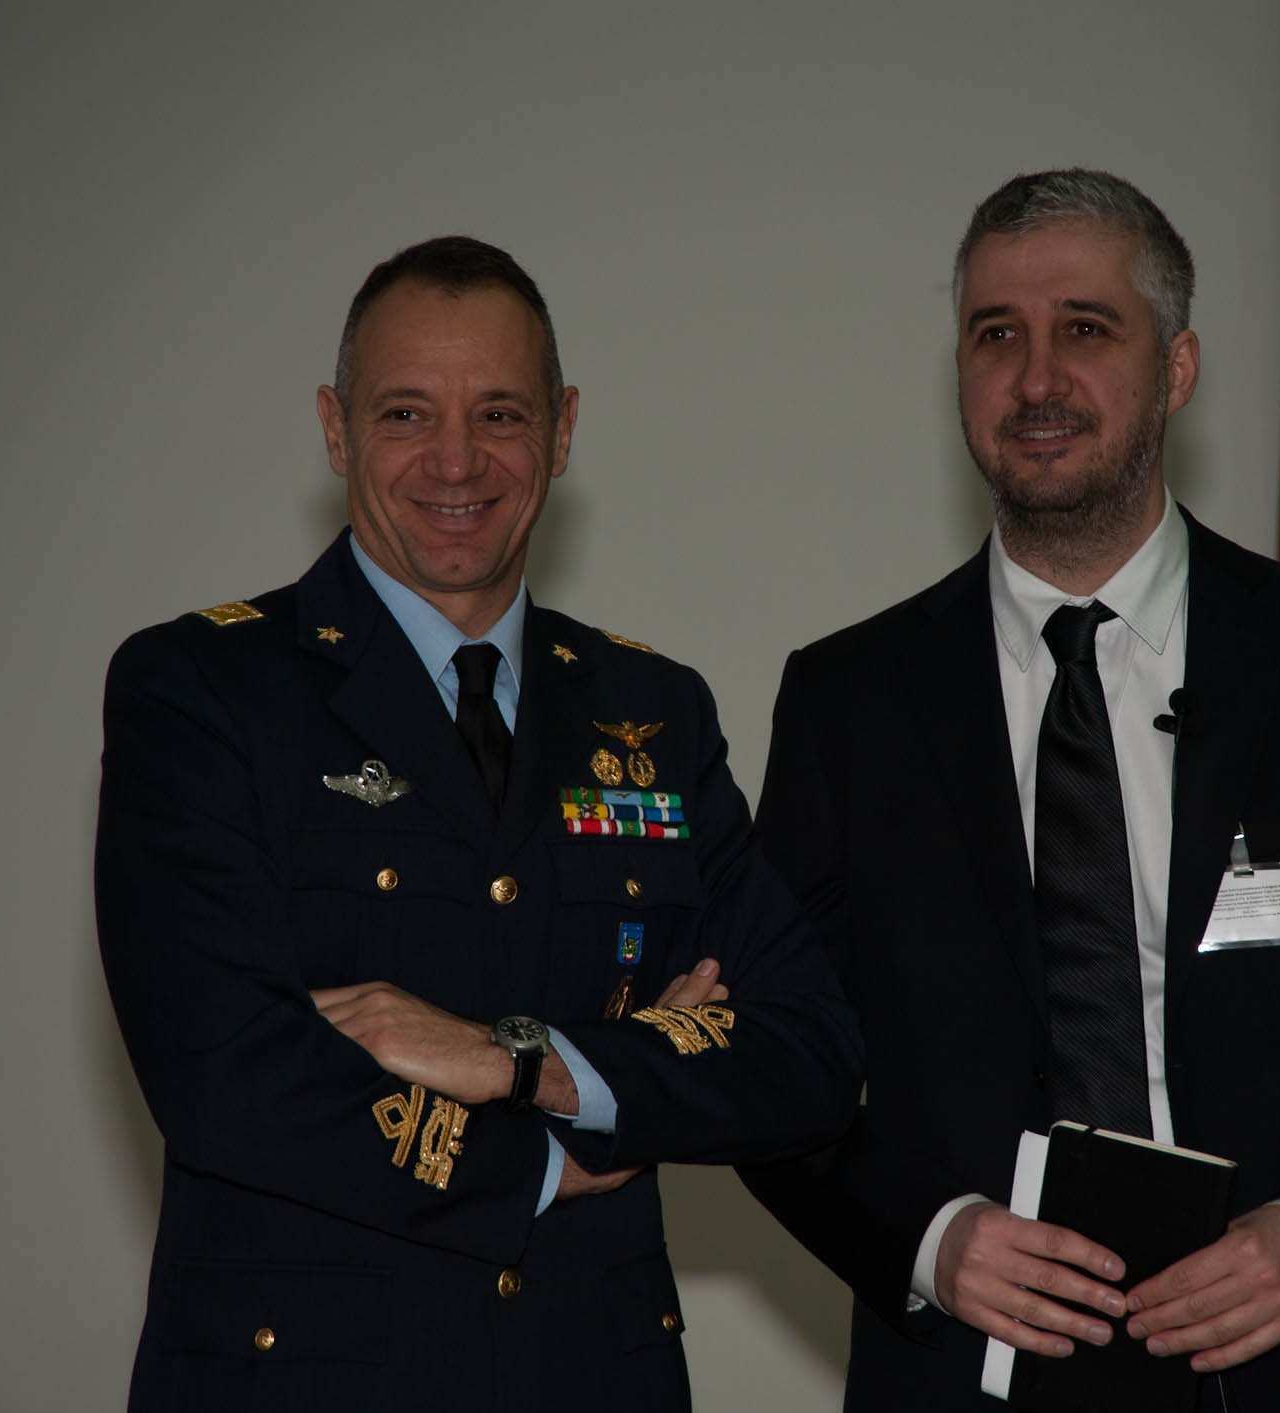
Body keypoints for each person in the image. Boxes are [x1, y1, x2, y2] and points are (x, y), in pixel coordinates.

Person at [740, 169, 1280, 1410]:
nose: (1035, 379)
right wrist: (930, 1239)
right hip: (971, 1371)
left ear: (1175, 368)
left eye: (1084, 329)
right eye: (994, 334)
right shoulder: (849, 700)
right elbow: (768, 1062)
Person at [95, 235, 862, 1411]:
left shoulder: (652, 710)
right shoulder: (204, 692)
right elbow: (226, 1073)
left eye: (499, 414)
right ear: (335, 429)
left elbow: (807, 1055)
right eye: (405, 413)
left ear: (561, 431)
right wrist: (542, 1163)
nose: (456, 461)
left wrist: (523, 1062)